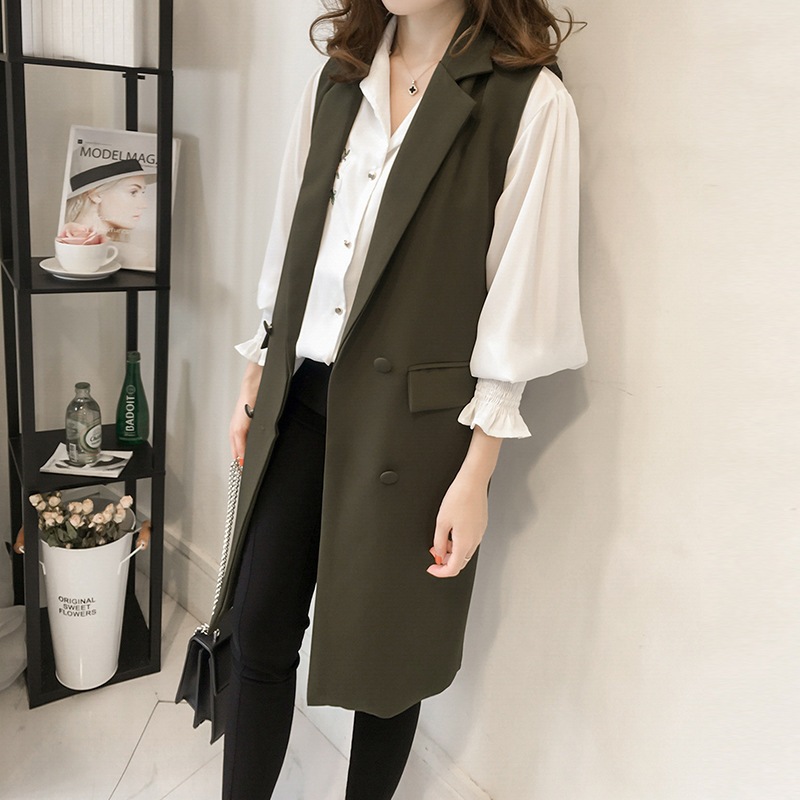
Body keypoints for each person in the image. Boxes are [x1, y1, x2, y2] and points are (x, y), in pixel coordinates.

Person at [220, 1, 587, 797]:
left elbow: (519, 302)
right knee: (256, 629)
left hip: (416, 429)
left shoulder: (528, 100)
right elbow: (293, 237)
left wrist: (476, 472)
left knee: (388, 663)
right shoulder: (338, 79)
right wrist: (257, 372)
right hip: (301, 394)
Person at [63, 158, 156, 268]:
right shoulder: (133, 257)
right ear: (95, 195)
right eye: (133, 192)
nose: (144, 205)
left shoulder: (64, 245)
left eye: (143, 192)